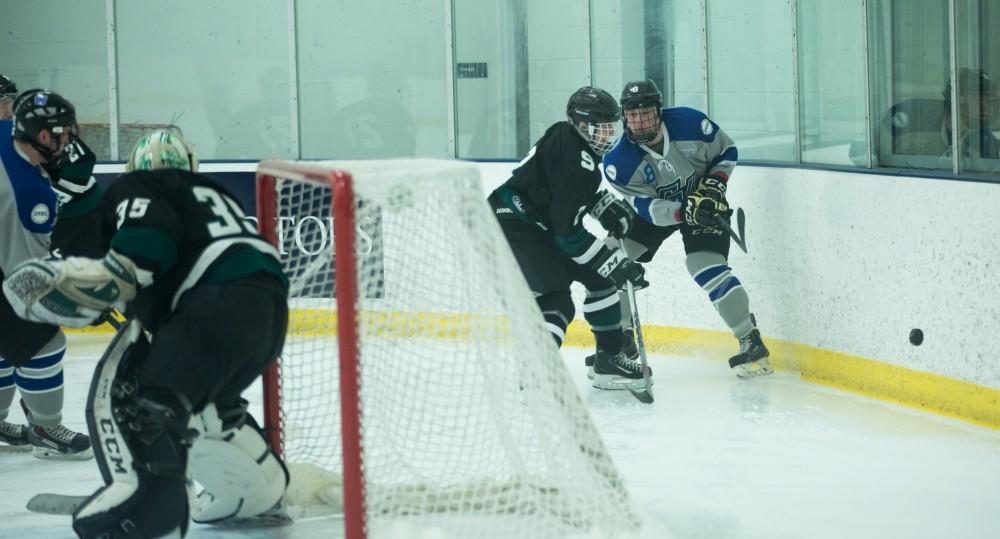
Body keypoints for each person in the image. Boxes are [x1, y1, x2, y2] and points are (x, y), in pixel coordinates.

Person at [2, 129, 291, 537]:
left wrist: (105, 283)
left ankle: (150, 513)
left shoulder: (140, 185)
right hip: (268, 316)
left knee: (144, 403)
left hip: (209, 306)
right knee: (207, 406)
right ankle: (259, 492)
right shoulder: (214, 193)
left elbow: (139, 256)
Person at [601, 80, 772, 378]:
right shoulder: (618, 161)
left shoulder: (690, 123)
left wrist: (716, 182)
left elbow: (728, 150)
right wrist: (682, 212)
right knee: (613, 258)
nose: (639, 121)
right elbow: (646, 208)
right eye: (632, 114)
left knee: (705, 266)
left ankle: (749, 338)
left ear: (659, 111)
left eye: (646, 113)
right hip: (659, 212)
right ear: (624, 117)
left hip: (705, 204)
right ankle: (622, 341)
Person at [488, 86, 650, 391]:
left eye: (612, 126)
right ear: (582, 125)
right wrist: (612, 262)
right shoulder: (578, 158)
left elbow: (557, 194)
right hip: (514, 226)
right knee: (558, 300)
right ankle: (536, 371)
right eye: (602, 127)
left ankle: (609, 360)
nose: (610, 134)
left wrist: (600, 205)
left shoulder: (568, 139)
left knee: (601, 283)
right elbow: (567, 234)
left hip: (536, 224)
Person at [0, 89, 96, 458]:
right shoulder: (31, 196)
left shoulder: (6, 131)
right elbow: (24, 276)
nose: (68, 139)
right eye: (62, 132)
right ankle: (46, 428)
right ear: (42, 136)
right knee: (43, 342)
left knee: (5, 344)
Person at [942, 67, 999, 162]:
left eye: (990, 100)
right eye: (982, 99)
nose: (989, 107)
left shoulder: (986, 140)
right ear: (961, 102)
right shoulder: (925, 138)